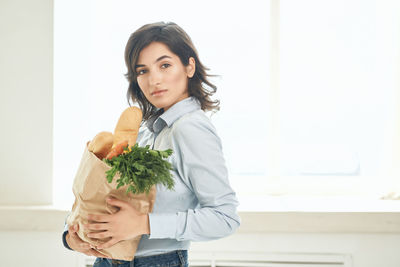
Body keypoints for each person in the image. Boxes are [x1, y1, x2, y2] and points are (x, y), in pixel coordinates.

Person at [62, 21, 241, 267]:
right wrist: (72, 236)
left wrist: (143, 223)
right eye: (143, 70)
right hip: (109, 260)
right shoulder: (147, 130)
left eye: (165, 65)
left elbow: (225, 217)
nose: (154, 80)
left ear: (189, 67)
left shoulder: (190, 129)